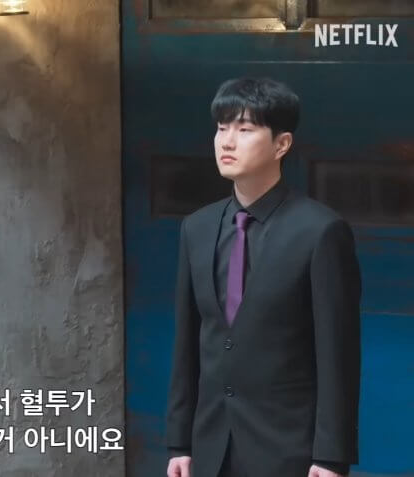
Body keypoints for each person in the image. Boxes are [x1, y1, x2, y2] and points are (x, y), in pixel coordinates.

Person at [165, 77, 361, 477]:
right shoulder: (197, 228)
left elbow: (337, 354)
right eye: (221, 128)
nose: (226, 142)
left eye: (244, 129)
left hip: (288, 449)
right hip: (211, 446)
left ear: (281, 144)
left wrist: (330, 456)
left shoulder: (320, 231)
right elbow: (188, 343)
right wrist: (179, 443)